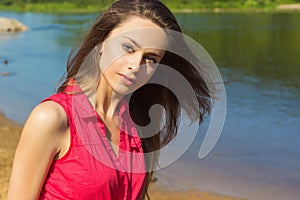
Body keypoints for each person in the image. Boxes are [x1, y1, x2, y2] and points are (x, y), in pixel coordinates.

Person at [7, 0, 213, 199]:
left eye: (151, 59)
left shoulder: (138, 125)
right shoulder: (52, 118)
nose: (136, 65)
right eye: (128, 47)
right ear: (100, 43)